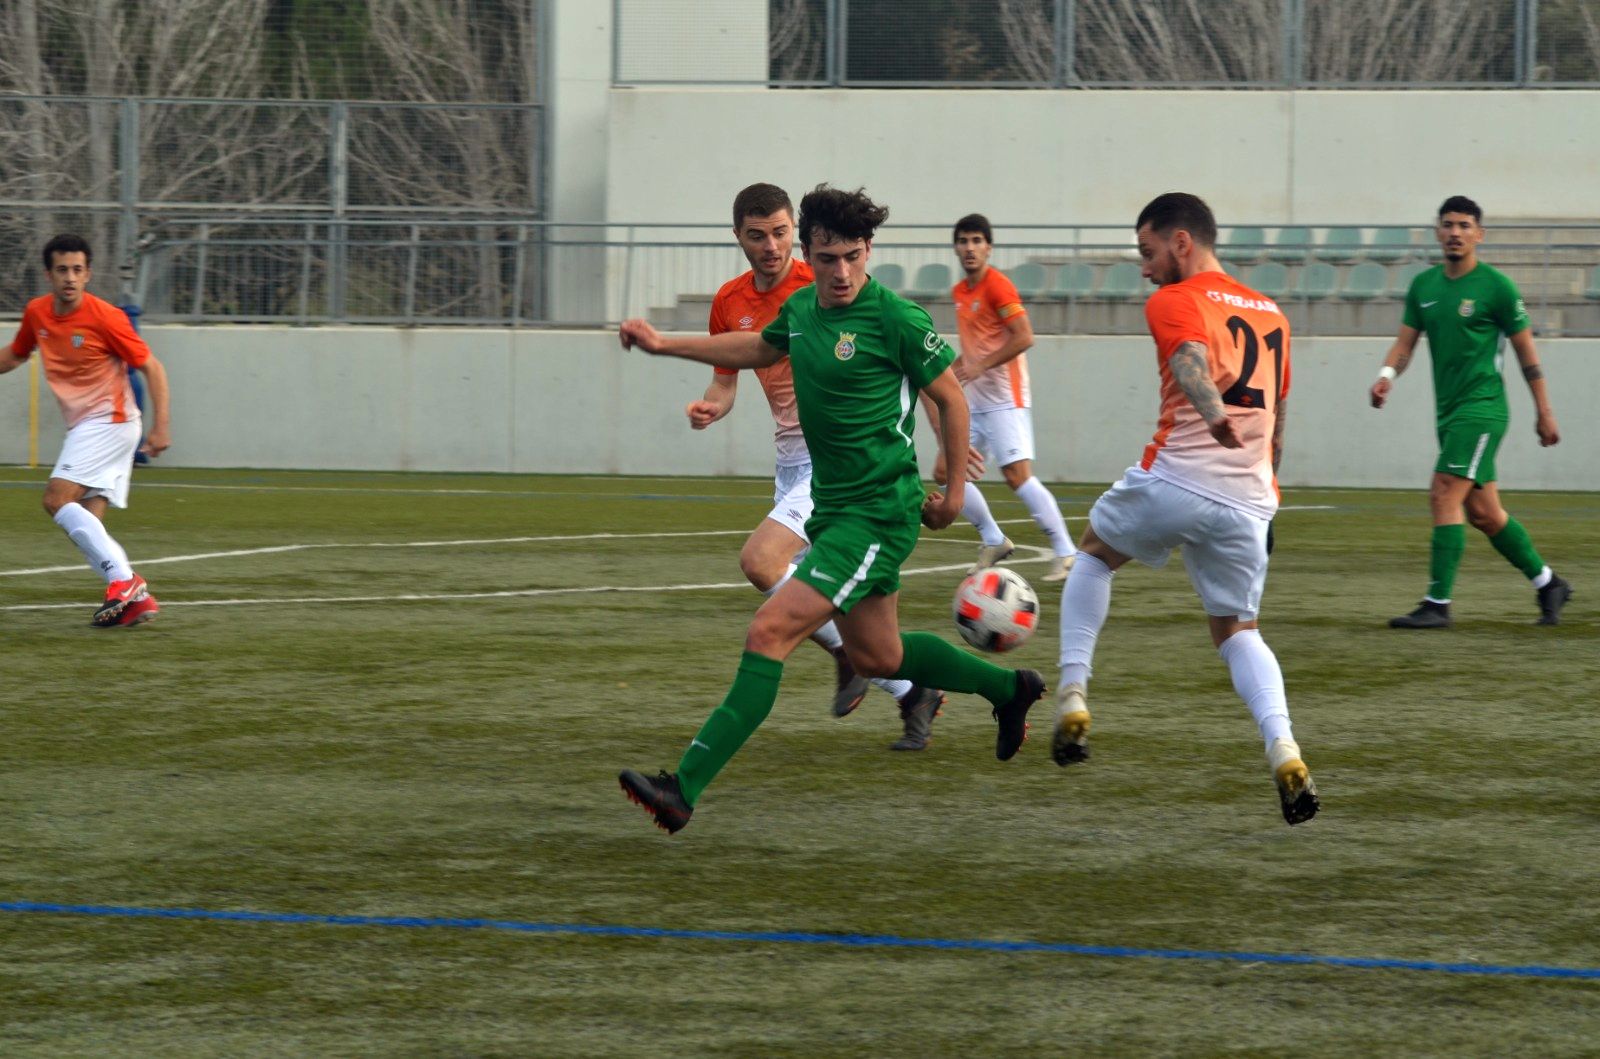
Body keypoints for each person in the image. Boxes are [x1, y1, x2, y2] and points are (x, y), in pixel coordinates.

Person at [617, 185, 1047, 833]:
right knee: (879, 657)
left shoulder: (895, 318)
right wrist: (663, 345)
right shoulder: (799, 310)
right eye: (827, 258)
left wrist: (954, 492)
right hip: (832, 508)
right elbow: (756, 349)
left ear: (868, 250)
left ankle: (684, 786)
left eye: (852, 256)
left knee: (768, 631)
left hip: (877, 513)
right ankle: (1008, 689)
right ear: (808, 254)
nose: (841, 272)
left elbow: (953, 401)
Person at [1049, 193, 1318, 827]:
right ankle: (1283, 746)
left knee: (1092, 554)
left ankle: (1072, 694)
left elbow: (1189, 361)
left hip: (1178, 475)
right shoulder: (1272, 314)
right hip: (1249, 500)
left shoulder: (1175, 298)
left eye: (1147, 253)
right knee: (1237, 631)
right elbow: (1277, 422)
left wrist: (1214, 414)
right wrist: (1267, 491)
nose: (1144, 269)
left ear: (1179, 243)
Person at [689, 183, 946, 750]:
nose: (771, 246)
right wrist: (714, 405)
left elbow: (909, 359)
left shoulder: (826, 282)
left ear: (796, 238)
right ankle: (911, 690)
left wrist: (941, 442)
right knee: (854, 613)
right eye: (757, 236)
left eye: (780, 233)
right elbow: (727, 380)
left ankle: (850, 658)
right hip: (789, 464)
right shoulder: (730, 302)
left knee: (762, 563)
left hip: (835, 466)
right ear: (739, 238)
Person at [1371, 195, 1569, 628]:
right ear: (1438, 232)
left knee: (1443, 492)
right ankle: (1548, 583)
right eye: (1448, 225)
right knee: (1484, 514)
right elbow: (1405, 344)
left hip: (1483, 410)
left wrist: (1544, 411)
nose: (1455, 232)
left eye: (1464, 225)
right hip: (1449, 413)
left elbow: (1526, 355)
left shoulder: (1497, 287)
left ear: (1479, 234)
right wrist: (1388, 374)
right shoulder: (1424, 287)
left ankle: (1437, 604)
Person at [1, 234, 171, 627]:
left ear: (88, 273)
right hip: (89, 426)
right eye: (62, 270)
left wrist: (161, 426)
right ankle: (134, 601)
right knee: (87, 521)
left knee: (56, 499)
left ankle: (126, 582)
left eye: (78, 270)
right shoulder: (38, 313)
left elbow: (152, 367)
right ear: (49, 274)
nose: (70, 278)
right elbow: (15, 354)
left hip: (110, 422)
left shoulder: (106, 316)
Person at [926, 214, 1077, 581]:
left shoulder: (998, 286)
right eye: (963, 241)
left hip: (1006, 397)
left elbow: (1024, 336)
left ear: (989, 248)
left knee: (1016, 475)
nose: (969, 248)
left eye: (977, 241)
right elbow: (976, 348)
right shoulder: (960, 292)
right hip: (975, 400)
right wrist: (958, 369)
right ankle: (993, 538)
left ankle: (1066, 551)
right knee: (946, 472)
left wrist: (981, 366)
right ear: (956, 248)